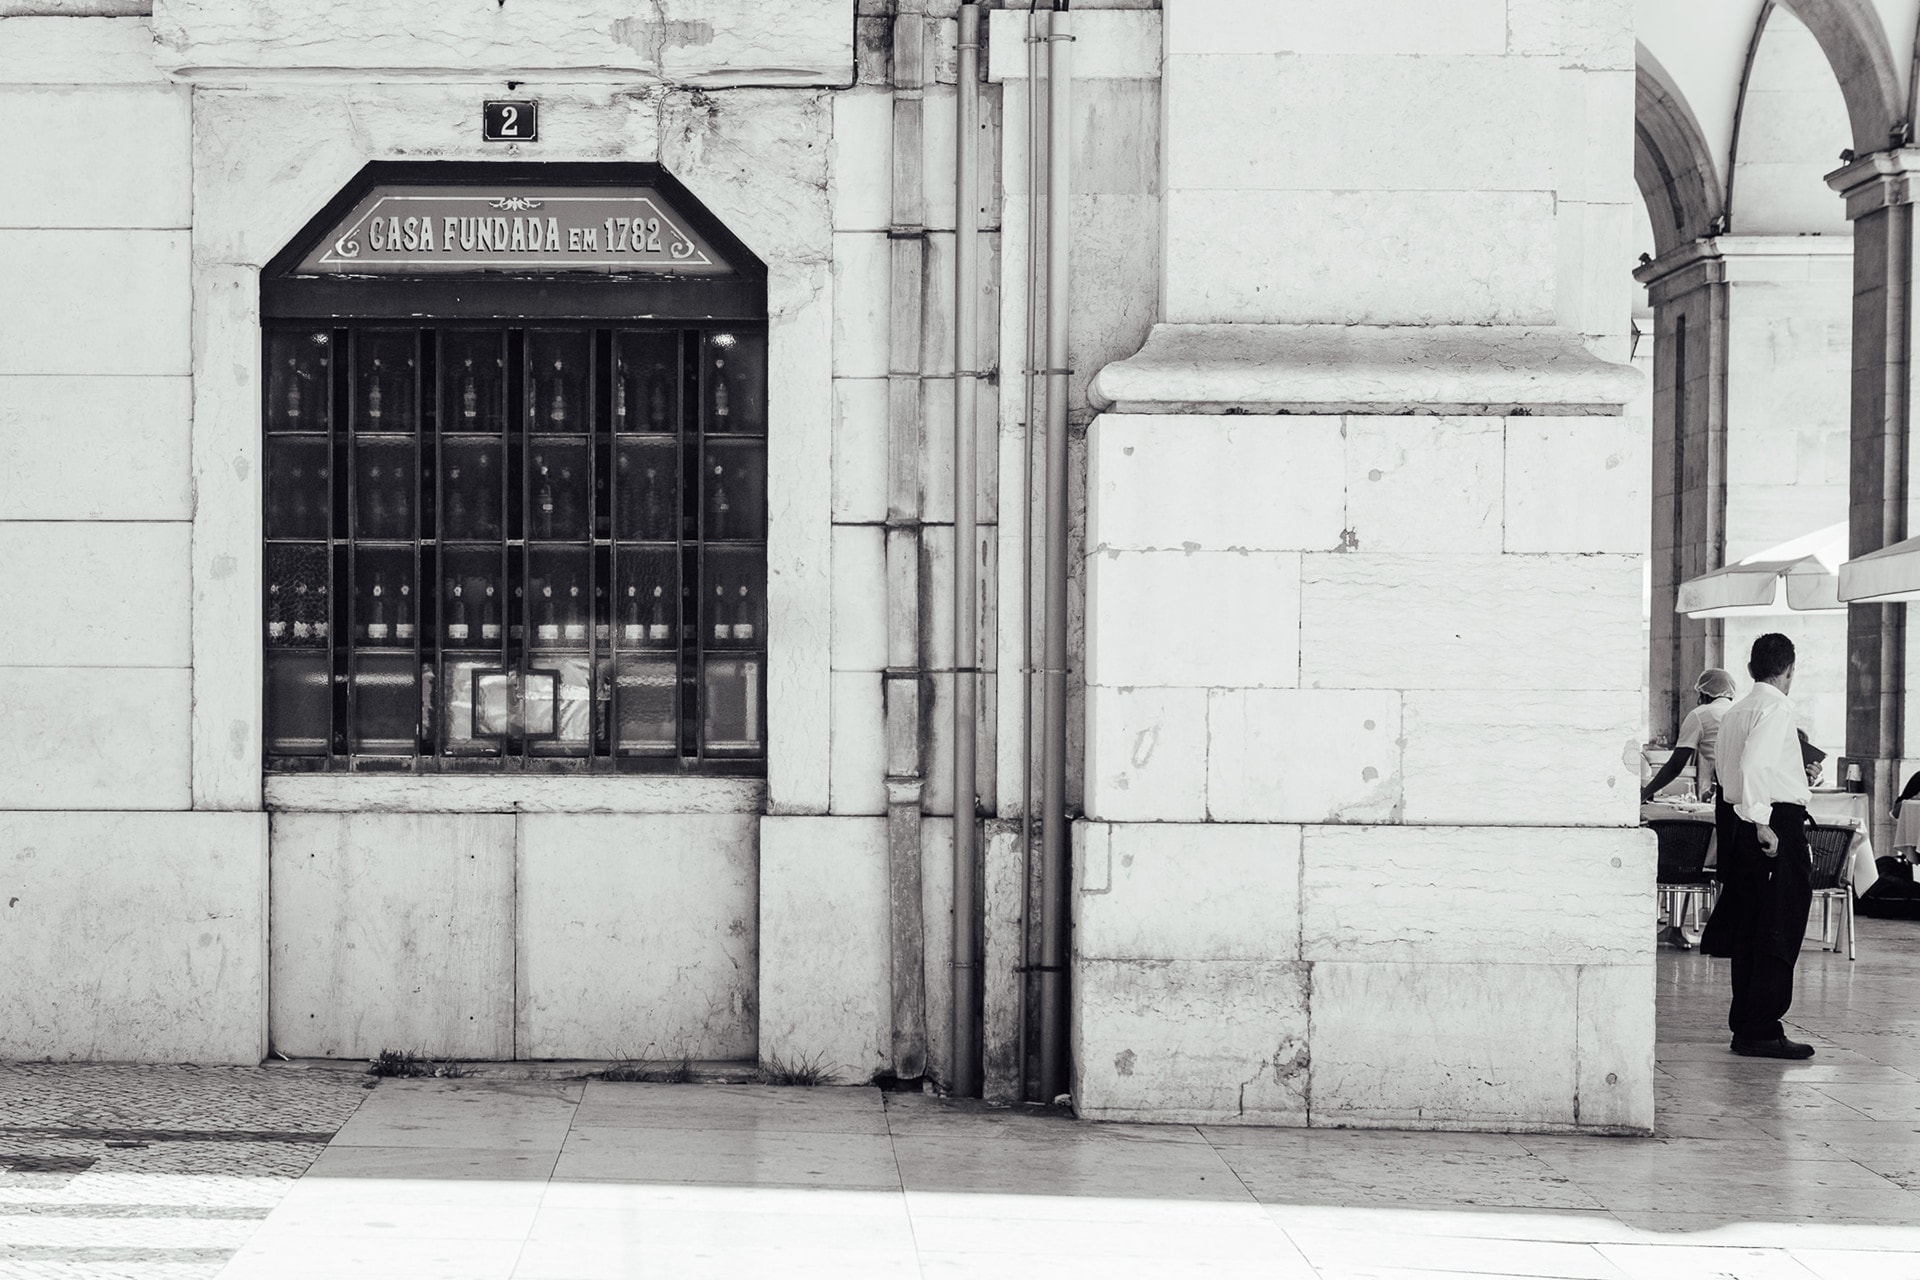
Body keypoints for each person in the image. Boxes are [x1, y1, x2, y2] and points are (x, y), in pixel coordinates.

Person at [1699, 633, 1816, 1059]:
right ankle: (1763, 1026)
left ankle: (1746, 1024)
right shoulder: (1777, 706)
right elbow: (1754, 766)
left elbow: (1735, 771)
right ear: (1789, 671)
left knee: (1751, 926)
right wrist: (1764, 823)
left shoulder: (1736, 710)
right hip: (1770, 823)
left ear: (1750, 670)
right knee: (1778, 924)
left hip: (1737, 820)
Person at [1642, 668, 1738, 802]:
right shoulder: (1739, 711)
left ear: (1704, 693)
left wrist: (1644, 794)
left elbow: (1675, 766)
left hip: (1727, 789)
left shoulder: (1700, 714)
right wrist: (1712, 790)